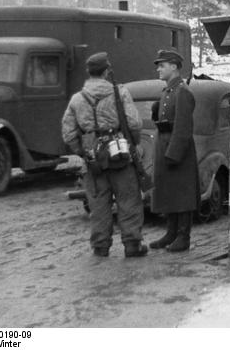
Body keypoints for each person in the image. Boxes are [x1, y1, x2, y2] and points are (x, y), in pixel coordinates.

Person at [61, 52, 147, 258]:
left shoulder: (77, 99)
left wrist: (83, 152)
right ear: (107, 71)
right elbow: (134, 123)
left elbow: (69, 134)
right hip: (120, 154)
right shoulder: (120, 93)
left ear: (88, 73)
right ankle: (132, 244)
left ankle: (100, 246)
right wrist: (132, 143)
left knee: (99, 204)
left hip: (93, 158)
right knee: (128, 200)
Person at [149, 49, 199, 252]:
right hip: (164, 144)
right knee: (168, 190)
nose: (159, 69)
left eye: (162, 65)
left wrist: (173, 153)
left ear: (174, 67)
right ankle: (171, 233)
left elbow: (183, 127)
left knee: (182, 192)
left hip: (178, 149)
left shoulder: (183, 92)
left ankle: (183, 236)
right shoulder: (169, 91)